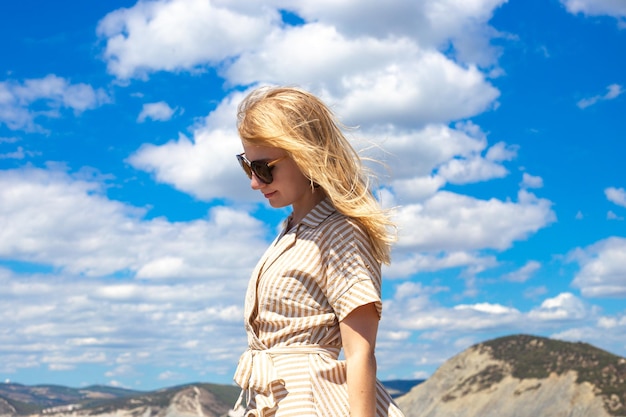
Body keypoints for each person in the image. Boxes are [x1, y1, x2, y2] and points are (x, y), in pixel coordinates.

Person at [232, 86, 405, 417]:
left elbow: (360, 354)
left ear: (306, 155)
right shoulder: (290, 231)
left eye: (264, 168)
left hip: (310, 405)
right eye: (248, 166)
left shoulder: (340, 231)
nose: (255, 182)